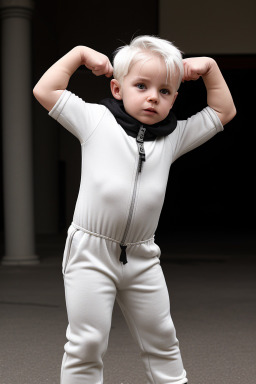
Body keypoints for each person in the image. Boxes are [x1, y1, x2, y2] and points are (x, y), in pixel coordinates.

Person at [33, 35, 236, 384]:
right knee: (87, 342)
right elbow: (45, 90)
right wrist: (80, 55)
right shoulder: (94, 121)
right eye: (141, 85)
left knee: (162, 339)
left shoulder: (173, 137)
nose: (153, 96)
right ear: (116, 88)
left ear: (174, 98)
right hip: (90, 253)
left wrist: (210, 69)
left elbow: (223, 111)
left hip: (143, 257)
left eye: (166, 91)